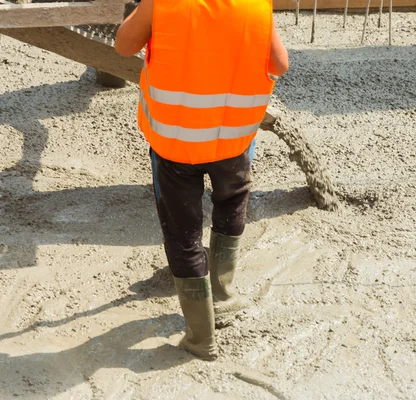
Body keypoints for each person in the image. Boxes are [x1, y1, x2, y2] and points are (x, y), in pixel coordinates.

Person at [115, 0, 289, 360]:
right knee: (230, 205)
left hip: (176, 145)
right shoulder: (257, 4)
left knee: (183, 234)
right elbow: (279, 65)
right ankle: (223, 295)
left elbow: (123, 46)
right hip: (233, 139)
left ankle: (200, 338)